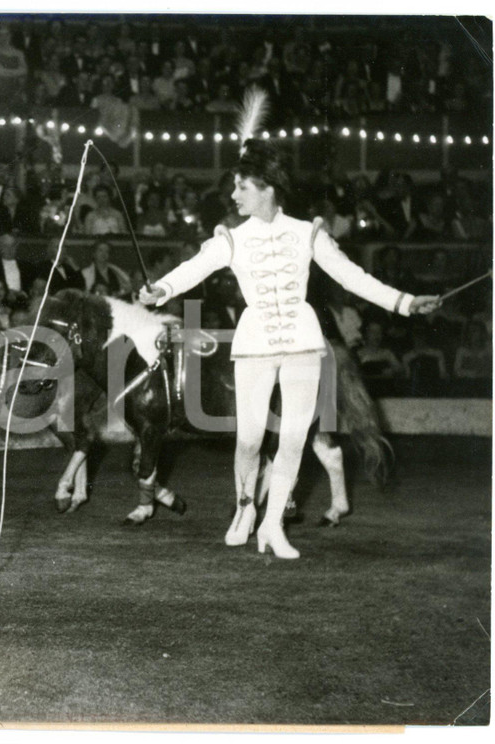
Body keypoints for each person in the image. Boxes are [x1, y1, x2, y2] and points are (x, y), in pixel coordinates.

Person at [138, 90, 439, 559]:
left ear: (267, 189)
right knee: (249, 440)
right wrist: (160, 289)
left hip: (302, 342)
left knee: (294, 440)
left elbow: (352, 277)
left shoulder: (307, 233)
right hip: (255, 343)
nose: (233, 195)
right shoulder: (231, 238)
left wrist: (404, 302)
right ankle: (244, 509)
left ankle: (273, 525)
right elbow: (193, 268)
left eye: (241, 187)